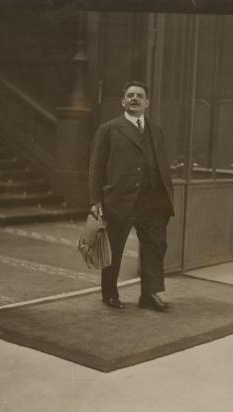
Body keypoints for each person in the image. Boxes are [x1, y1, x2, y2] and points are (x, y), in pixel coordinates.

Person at [88, 80, 174, 311]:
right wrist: (96, 200)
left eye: (140, 96)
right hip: (120, 199)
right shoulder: (109, 129)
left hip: (153, 200)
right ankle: (109, 294)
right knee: (114, 248)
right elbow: (96, 166)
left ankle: (149, 295)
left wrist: (166, 196)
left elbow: (162, 165)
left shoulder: (156, 130)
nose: (134, 99)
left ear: (147, 103)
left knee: (154, 246)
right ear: (123, 101)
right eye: (130, 95)